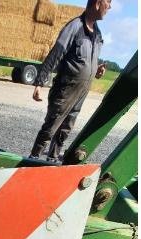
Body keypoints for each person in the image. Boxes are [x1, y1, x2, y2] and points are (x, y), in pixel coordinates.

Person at [29, 0, 110, 162]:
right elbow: (56, 53)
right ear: (97, 3)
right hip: (65, 90)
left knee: (65, 129)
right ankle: (33, 159)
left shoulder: (98, 34)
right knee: (51, 127)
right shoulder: (74, 27)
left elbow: (84, 62)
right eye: (108, 1)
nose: (110, 6)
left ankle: (52, 160)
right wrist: (39, 82)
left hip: (81, 93)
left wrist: (97, 70)